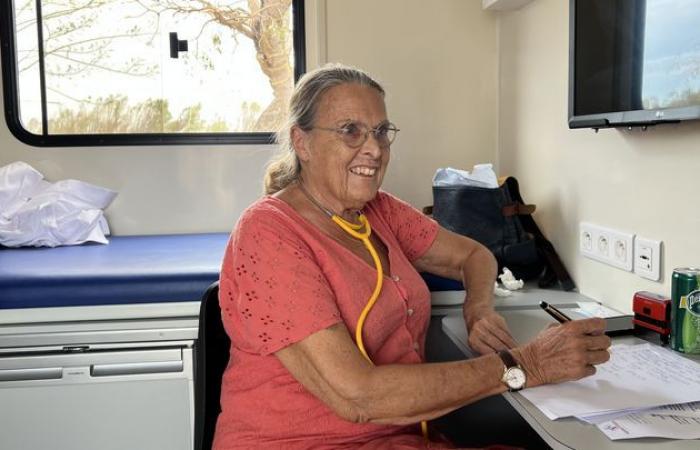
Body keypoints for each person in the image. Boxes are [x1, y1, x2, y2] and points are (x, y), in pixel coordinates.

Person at [213, 64, 611, 449]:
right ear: (302, 142)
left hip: (399, 438)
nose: (374, 149)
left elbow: (473, 256)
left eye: (381, 132)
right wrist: (526, 364)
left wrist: (478, 310)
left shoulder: (379, 211)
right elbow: (358, 399)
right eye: (351, 131)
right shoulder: (268, 233)